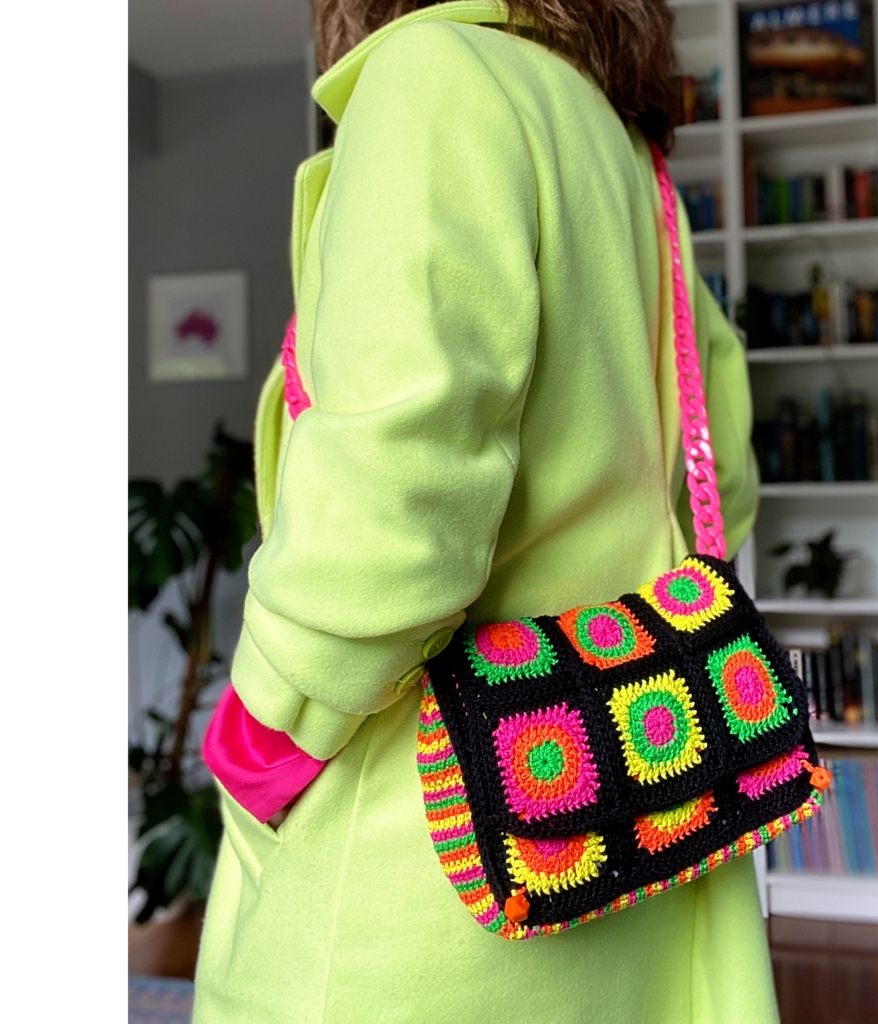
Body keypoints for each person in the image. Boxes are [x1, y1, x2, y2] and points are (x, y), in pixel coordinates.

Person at [193, 1, 775, 1021]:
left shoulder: (436, 74)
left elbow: (395, 476)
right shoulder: (638, 172)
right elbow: (719, 481)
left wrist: (263, 729)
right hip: (638, 822)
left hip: (428, 867)